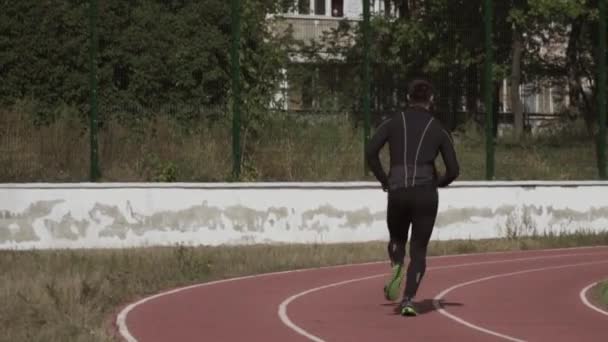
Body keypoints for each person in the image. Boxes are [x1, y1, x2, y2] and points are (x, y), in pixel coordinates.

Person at [365, 78, 460, 316]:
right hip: (425, 192)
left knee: (397, 238)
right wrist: (437, 184)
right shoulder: (438, 128)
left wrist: (384, 180)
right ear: (432, 100)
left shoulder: (393, 122)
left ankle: (397, 262)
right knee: (418, 250)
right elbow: (454, 170)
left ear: (408, 98)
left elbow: (370, 151)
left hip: (397, 188)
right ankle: (408, 299)